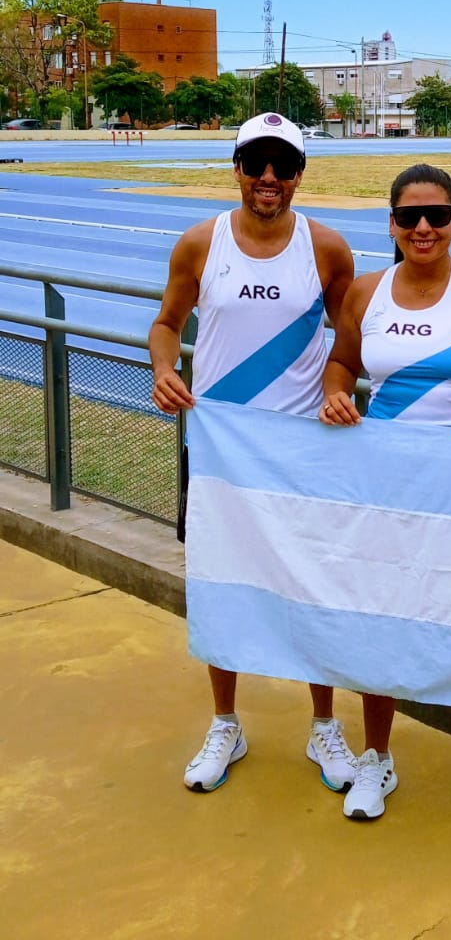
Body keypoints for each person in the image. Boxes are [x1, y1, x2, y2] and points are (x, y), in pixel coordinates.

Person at [321, 163, 451, 831]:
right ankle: (377, 757)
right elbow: (341, 364)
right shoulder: (365, 293)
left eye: (436, 216)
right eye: (410, 217)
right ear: (391, 224)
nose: (423, 227)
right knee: (380, 620)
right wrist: (335, 395)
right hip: (384, 487)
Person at [149, 112, 359, 795]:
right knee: (220, 585)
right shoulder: (199, 243)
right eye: (257, 163)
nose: (269, 178)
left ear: (299, 174)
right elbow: (166, 324)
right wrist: (163, 370)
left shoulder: (327, 248)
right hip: (220, 451)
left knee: (313, 585)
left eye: (284, 166)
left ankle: (324, 725)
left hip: (302, 452)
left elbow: (350, 342)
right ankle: (225, 724)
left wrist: (340, 391)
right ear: (237, 167)